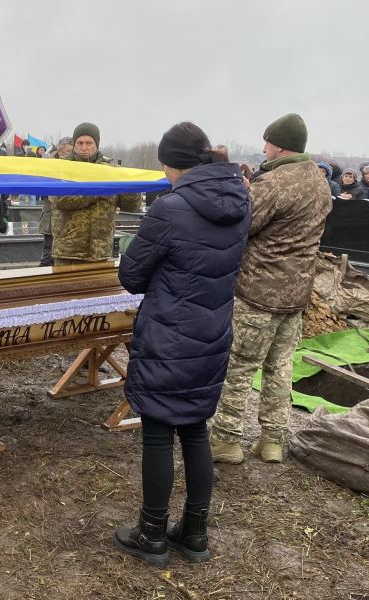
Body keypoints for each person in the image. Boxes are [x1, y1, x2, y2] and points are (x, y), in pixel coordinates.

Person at [112, 123, 250, 566]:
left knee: (157, 434)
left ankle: (151, 532)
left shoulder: (170, 209)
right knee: (194, 430)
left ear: (172, 163)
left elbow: (131, 276)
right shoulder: (240, 200)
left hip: (169, 336)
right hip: (211, 334)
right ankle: (195, 531)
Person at [209, 113, 332, 465]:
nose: (263, 148)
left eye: (267, 142)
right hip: (296, 296)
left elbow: (242, 225)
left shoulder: (275, 183)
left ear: (278, 145)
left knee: (239, 366)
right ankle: (272, 440)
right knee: (280, 368)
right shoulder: (319, 180)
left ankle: (226, 439)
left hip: (258, 293)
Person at [51, 123, 143, 264]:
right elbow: (60, 199)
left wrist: (132, 187)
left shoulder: (111, 170)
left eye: (89, 143)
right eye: (80, 143)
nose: (84, 147)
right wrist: (97, 192)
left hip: (101, 251)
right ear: (74, 144)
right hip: (68, 252)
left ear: (97, 144)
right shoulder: (61, 169)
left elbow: (131, 206)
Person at [38, 137, 73, 267]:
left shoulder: (74, 164)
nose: (70, 154)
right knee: (48, 253)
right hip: (51, 214)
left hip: (66, 218)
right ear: (60, 149)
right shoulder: (49, 163)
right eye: (68, 150)